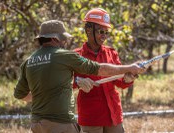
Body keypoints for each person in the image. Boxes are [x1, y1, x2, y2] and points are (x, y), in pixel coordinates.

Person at [14, 20, 145, 133]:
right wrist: (130, 67)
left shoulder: (28, 61)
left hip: (37, 123)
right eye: (63, 38)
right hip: (64, 123)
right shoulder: (66, 56)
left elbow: (20, 94)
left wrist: (128, 78)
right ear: (55, 38)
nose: (65, 42)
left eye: (106, 32)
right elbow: (99, 69)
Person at [73, 8, 137, 133]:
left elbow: (119, 81)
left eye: (106, 32)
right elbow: (66, 82)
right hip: (91, 118)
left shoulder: (111, 53)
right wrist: (78, 81)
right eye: (101, 31)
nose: (104, 36)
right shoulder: (76, 56)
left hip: (113, 116)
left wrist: (127, 80)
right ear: (88, 30)